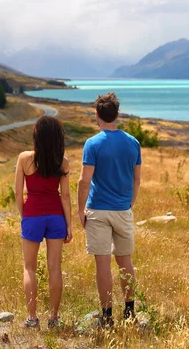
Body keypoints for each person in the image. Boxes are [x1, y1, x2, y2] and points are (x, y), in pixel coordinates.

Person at [77, 92, 142, 327]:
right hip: (122, 210)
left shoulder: (92, 143)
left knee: (102, 264)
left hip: (97, 210)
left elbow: (85, 181)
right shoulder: (133, 142)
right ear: (117, 114)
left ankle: (106, 317)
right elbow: (137, 180)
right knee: (125, 262)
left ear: (97, 115)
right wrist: (130, 203)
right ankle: (129, 312)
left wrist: (79, 210)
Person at [15, 116, 73, 329]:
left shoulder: (24, 159)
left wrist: (25, 216)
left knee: (29, 268)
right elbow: (65, 197)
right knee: (55, 268)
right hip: (56, 217)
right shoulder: (63, 162)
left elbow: (17, 193)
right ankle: (54, 318)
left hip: (33, 216)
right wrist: (69, 225)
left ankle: (32, 318)